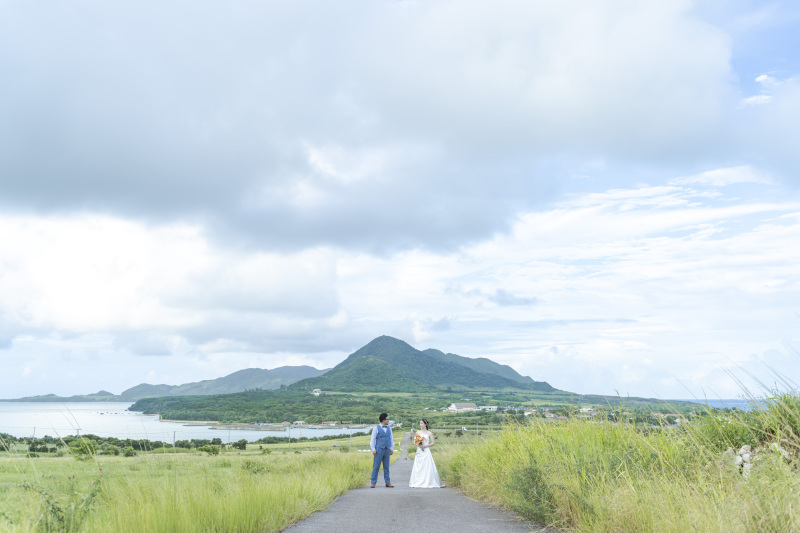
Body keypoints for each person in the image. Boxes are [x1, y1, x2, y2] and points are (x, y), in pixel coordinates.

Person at [408, 418, 444, 488]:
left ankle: (429, 481)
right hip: (419, 451)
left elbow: (433, 443)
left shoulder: (429, 433)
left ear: (425, 424)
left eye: (422, 423)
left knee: (427, 465)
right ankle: (417, 481)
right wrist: (419, 445)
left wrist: (426, 446)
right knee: (419, 466)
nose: (420, 425)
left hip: (426, 450)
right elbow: (415, 442)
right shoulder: (418, 432)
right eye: (420, 423)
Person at [370, 412, 394, 488]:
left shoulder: (389, 428)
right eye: (387, 419)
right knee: (376, 466)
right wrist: (373, 449)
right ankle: (373, 482)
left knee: (386, 466)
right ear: (383, 420)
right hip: (379, 449)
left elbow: (391, 439)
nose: (388, 421)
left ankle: (388, 482)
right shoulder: (376, 428)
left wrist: (392, 448)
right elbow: (372, 440)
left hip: (387, 449)